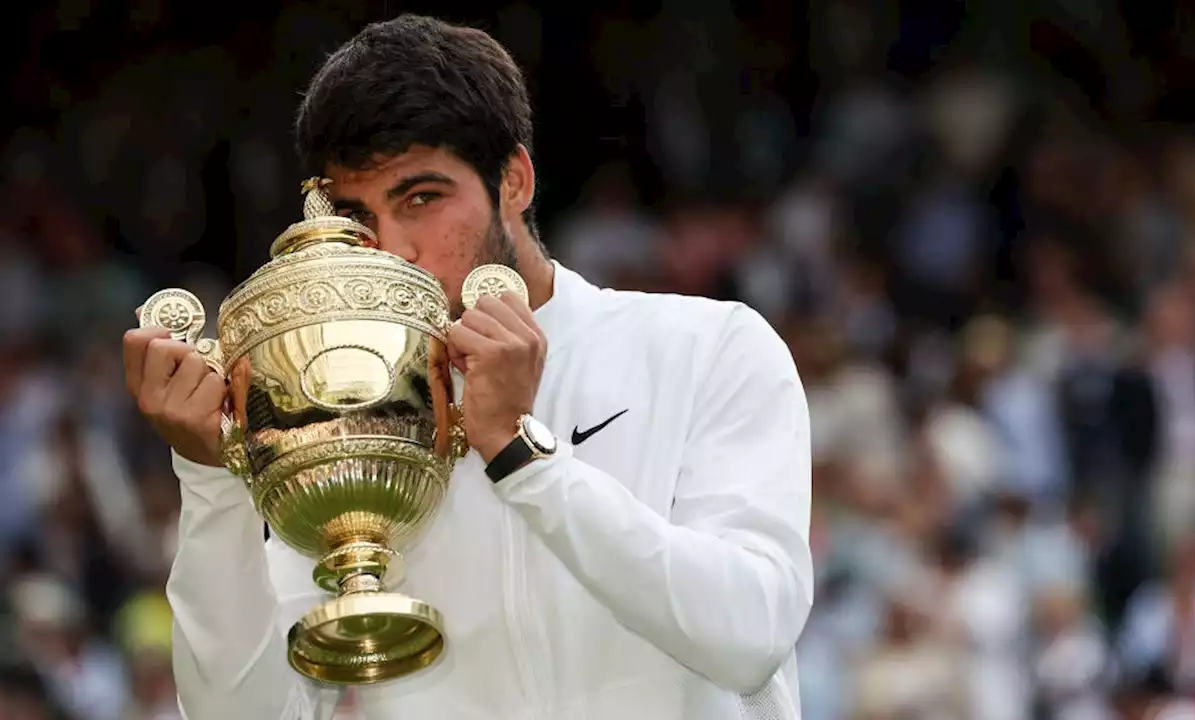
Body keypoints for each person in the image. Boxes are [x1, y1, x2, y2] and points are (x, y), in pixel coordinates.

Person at [119, 14, 813, 720]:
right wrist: (212, 482)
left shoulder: (709, 346)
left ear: (514, 181)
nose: (394, 250)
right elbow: (247, 715)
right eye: (361, 218)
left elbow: (748, 635)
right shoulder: (343, 416)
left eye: (422, 199)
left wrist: (521, 456)